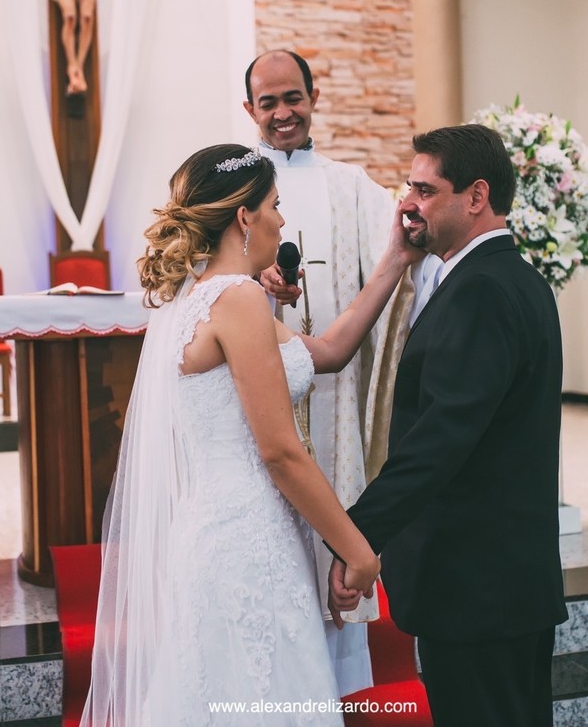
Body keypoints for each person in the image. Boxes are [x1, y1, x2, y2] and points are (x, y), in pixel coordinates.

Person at [81, 144, 421, 726]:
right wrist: (360, 550)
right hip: (247, 544)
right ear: (244, 218)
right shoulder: (236, 299)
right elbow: (280, 451)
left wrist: (393, 258)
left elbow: (332, 352)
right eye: (275, 205)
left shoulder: (201, 295)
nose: (282, 221)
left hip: (220, 532)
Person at [329, 124, 568, 726]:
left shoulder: (480, 290)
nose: (407, 203)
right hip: (503, 583)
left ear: (476, 196)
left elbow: (440, 439)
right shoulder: (510, 278)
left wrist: (356, 536)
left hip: (477, 590)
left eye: (424, 190)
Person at [243, 49, 416, 694]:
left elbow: (405, 248)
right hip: (260, 402)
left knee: (333, 519)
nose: (283, 113)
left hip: (334, 399)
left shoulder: (354, 189)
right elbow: (203, 281)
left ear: (314, 97)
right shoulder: (231, 191)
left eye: (293, 98)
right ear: (250, 110)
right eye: (269, 102)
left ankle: (336, 690)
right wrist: (251, 279)